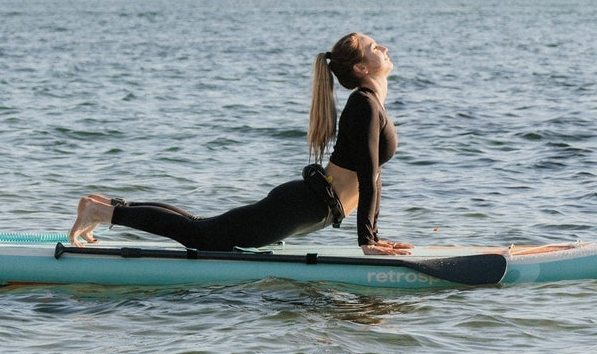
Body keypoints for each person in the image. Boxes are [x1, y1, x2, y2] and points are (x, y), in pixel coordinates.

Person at [69, 32, 413, 256]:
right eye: (373, 47)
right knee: (200, 235)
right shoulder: (364, 104)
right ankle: (103, 211)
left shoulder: (369, 103)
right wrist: (368, 241)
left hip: (310, 205)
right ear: (361, 67)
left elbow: (372, 178)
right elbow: (368, 178)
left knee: (201, 226)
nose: (382, 47)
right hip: (304, 205)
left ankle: (105, 205)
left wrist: (371, 237)